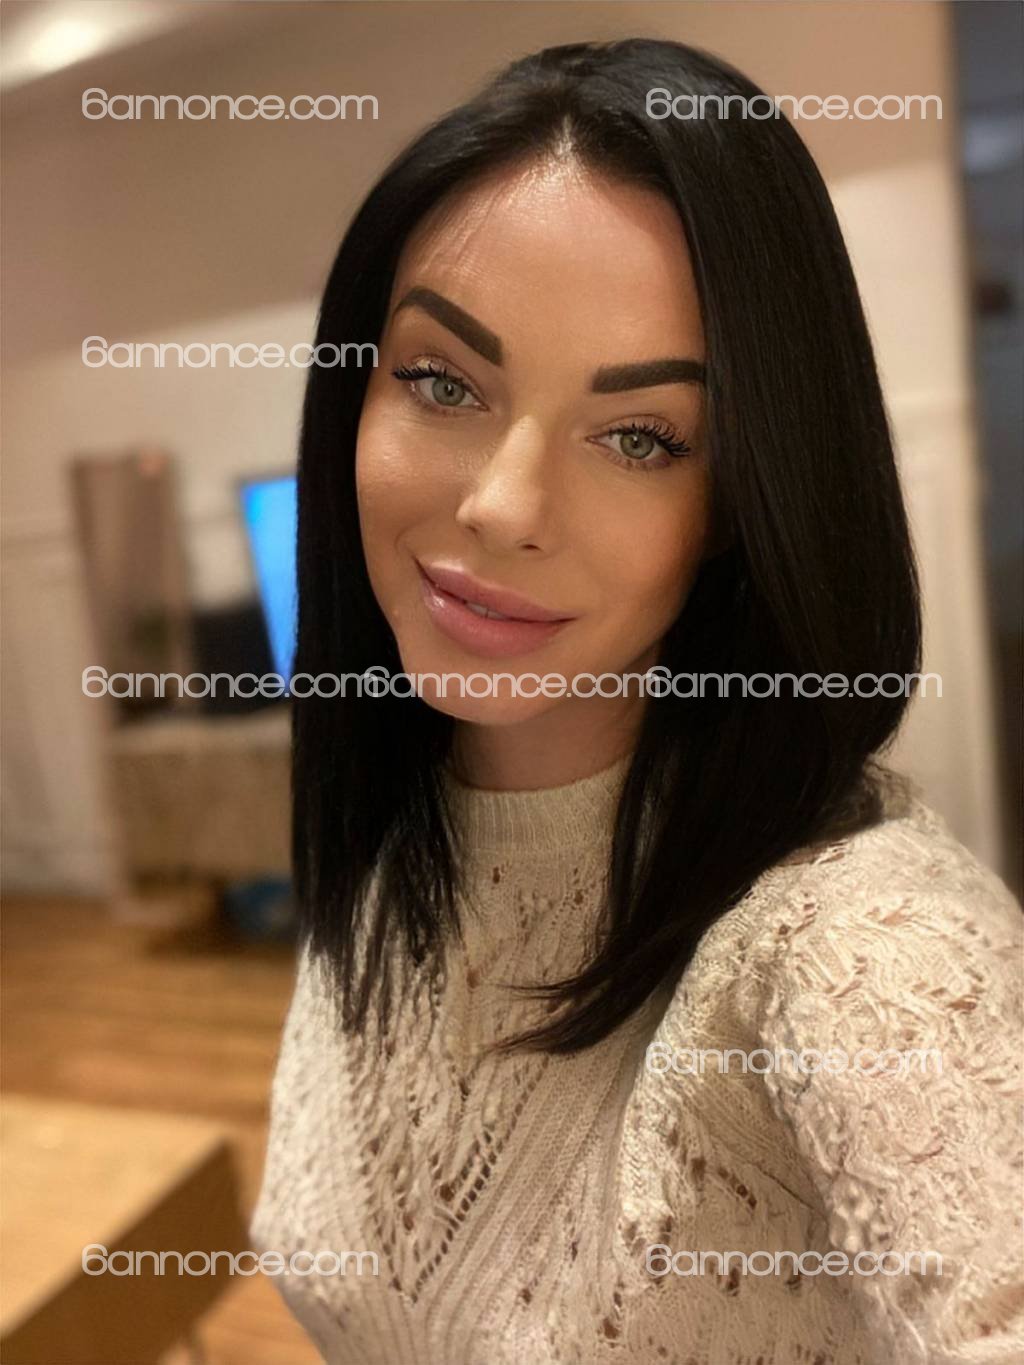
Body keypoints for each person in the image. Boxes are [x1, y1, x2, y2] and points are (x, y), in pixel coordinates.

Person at [251, 38, 1023, 1364]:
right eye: (442, 381)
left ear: (738, 502)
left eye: (641, 437)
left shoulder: (861, 943)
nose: (503, 505)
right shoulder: (388, 849)